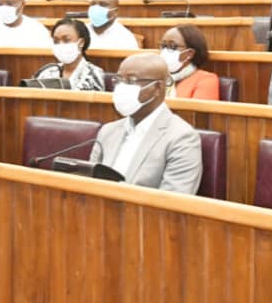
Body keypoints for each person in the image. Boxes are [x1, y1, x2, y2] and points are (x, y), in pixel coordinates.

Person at [88, 53, 203, 194]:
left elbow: (173, 203)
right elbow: (89, 184)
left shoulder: (182, 138)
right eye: (118, 80)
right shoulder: (108, 131)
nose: (121, 88)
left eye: (131, 81)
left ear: (158, 88)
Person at [36, 18, 106, 91]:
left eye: (66, 40)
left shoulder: (94, 74)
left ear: (81, 43)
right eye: (56, 41)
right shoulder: (47, 71)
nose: (60, 45)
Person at [160, 25, 219, 100]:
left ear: (190, 53)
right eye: (163, 46)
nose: (165, 51)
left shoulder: (206, 80)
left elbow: (198, 111)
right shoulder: (155, 77)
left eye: (172, 46)